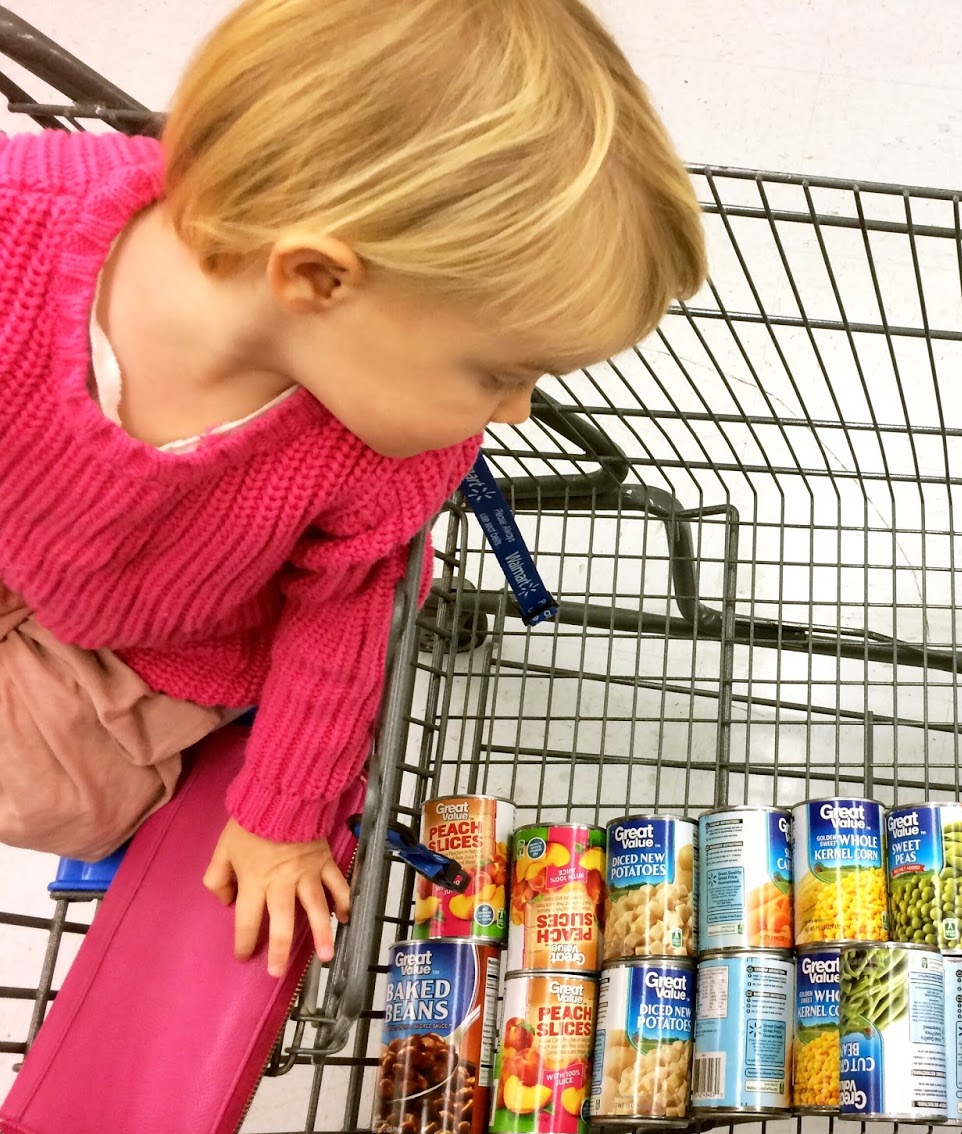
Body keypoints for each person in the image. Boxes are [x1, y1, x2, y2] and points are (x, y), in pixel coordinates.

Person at [0, 0, 705, 977]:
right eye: (497, 374)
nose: (515, 415)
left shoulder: (386, 453)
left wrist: (282, 820)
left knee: (48, 799)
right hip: (34, 549)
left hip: (171, 645)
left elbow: (343, 618)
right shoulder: (19, 229)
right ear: (318, 281)